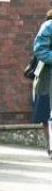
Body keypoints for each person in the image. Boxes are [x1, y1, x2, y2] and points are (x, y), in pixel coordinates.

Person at [32, 9, 52, 158]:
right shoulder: (48, 26)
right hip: (48, 77)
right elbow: (40, 50)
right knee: (47, 114)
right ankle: (51, 146)